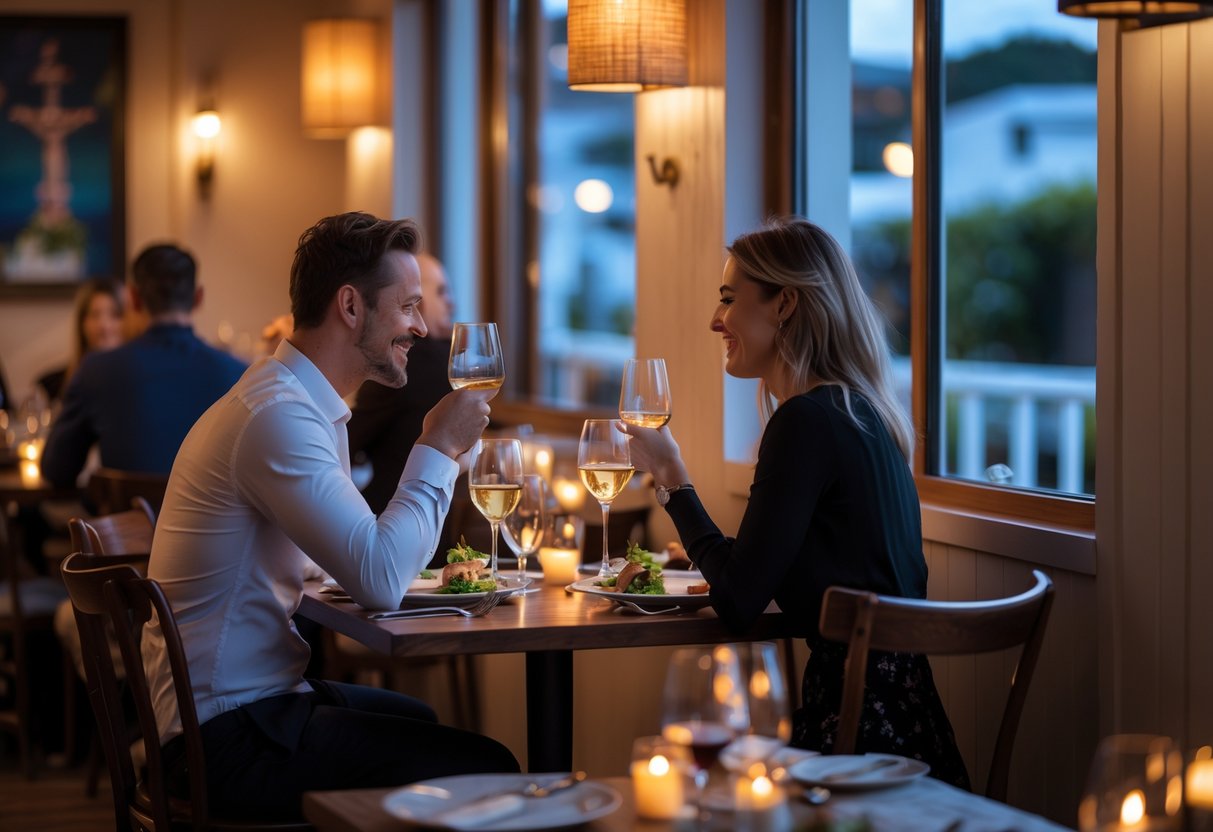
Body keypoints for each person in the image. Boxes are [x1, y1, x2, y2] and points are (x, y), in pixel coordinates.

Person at [144, 212, 517, 820]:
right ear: (350, 305)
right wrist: (438, 447)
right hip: (223, 739)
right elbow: (378, 579)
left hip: (242, 708)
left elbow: (349, 561)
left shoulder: (293, 404)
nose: (422, 328)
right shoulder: (278, 417)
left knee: (419, 720)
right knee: (490, 768)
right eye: (408, 307)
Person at [623, 217, 971, 789]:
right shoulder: (863, 414)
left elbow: (737, 600)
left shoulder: (804, 422)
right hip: (917, 736)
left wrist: (672, 478)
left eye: (730, 299)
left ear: (784, 304)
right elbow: (779, 565)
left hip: (851, 741)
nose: (716, 321)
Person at [41, 244, 246, 487]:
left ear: (134, 299)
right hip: (212, 526)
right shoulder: (238, 375)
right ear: (198, 297)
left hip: (126, 521)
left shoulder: (96, 371)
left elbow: (56, 470)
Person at [348, 252, 456, 515]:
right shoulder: (450, 360)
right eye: (441, 292)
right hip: (439, 521)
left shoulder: (411, 361)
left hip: (391, 519)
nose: (451, 303)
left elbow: (345, 444)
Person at [37, 278, 126, 403]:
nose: (104, 325)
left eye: (115, 315)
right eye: (95, 315)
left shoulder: (141, 382)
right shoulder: (51, 386)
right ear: (81, 323)